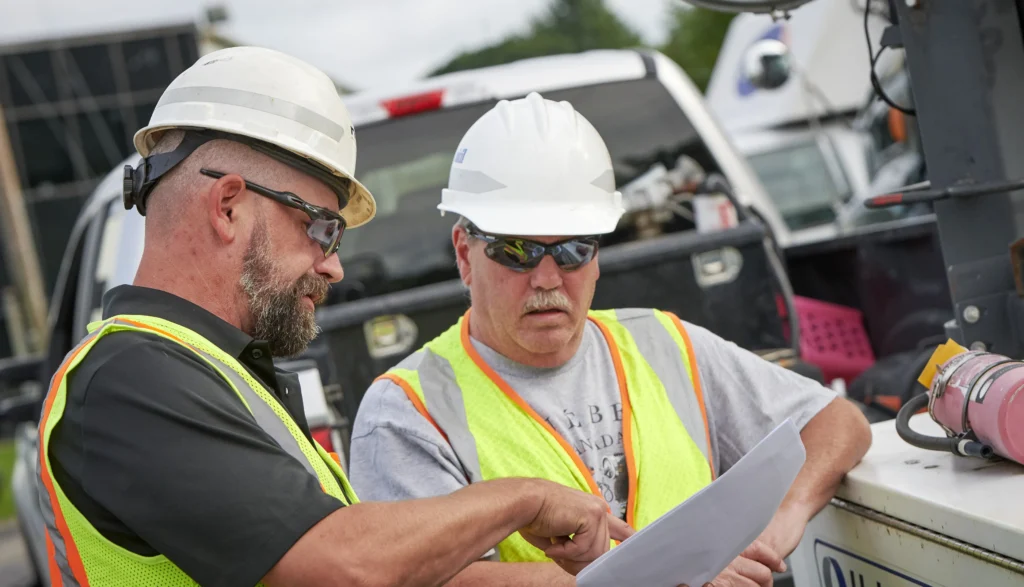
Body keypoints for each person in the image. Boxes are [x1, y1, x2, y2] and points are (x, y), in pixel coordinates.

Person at [38, 50, 632, 587]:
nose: (334, 268)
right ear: (227, 207)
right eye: (322, 228)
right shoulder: (132, 378)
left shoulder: (209, 373)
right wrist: (522, 500)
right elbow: (344, 567)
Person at [350, 92, 874, 587]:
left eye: (574, 249)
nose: (549, 278)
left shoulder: (663, 343)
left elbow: (837, 423)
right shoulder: (408, 410)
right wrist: (658, 574)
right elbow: (414, 578)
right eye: (517, 252)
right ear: (465, 254)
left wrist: (779, 524)